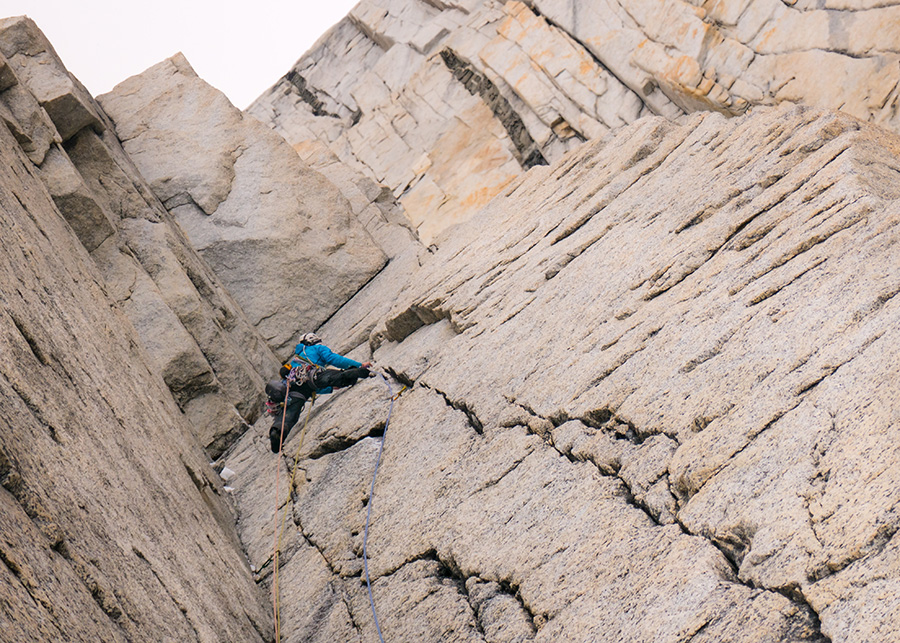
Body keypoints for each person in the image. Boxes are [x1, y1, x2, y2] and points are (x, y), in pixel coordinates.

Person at [267, 332, 374, 453]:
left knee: (291, 414)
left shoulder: (295, 360)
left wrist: (329, 388)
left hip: (294, 389)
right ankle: (358, 372)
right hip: (311, 376)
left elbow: (311, 388)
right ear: (313, 340)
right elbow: (333, 359)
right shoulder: (317, 348)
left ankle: (278, 431)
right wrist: (359, 365)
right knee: (334, 376)